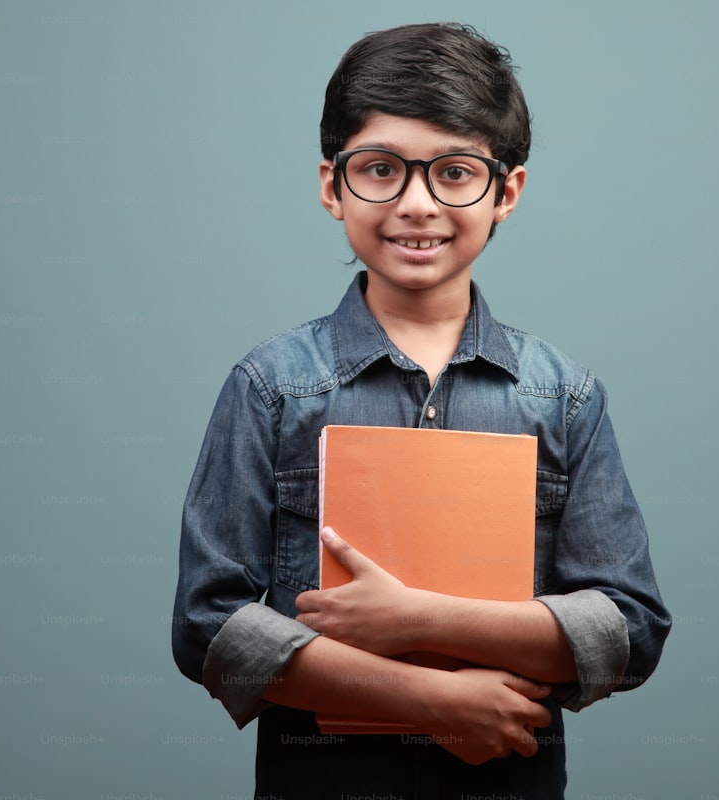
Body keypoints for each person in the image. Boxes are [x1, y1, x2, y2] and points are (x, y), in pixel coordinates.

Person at [172, 21, 670, 799]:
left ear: (506, 191)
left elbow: (630, 632)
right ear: (333, 185)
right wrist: (432, 699)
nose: (416, 203)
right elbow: (210, 627)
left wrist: (416, 619)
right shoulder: (271, 386)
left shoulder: (563, 396)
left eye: (454, 172)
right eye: (380, 169)